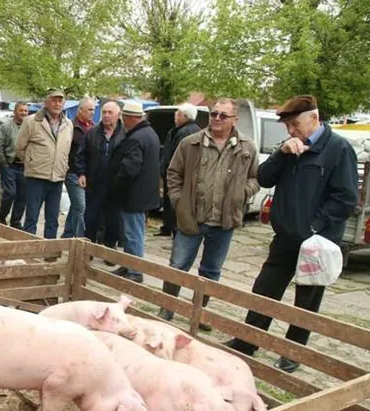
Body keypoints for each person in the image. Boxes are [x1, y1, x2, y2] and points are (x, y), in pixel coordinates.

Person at [224, 95, 359, 373]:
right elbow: (264, 178)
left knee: (306, 300)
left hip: (317, 242)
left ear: (314, 118)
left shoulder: (339, 149)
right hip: (285, 237)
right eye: (287, 126)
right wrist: (280, 154)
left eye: (295, 124)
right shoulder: (289, 148)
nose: (291, 130)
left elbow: (345, 199)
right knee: (265, 289)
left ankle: (293, 351)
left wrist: (313, 227)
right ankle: (248, 340)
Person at [159, 98, 260, 329]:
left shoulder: (247, 147)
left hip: (224, 221)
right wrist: (178, 201)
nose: (216, 118)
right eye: (214, 113)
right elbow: (173, 173)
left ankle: (198, 313)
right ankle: (167, 307)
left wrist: (242, 193)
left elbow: (255, 177)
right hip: (191, 217)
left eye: (223, 115)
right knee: (178, 265)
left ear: (235, 119)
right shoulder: (191, 143)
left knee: (211, 272)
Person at [106, 100, 160, 283]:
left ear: (130, 118)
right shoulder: (149, 133)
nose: (123, 121)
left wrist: (115, 183)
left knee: (133, 234)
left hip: (134, 195)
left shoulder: (136, 137)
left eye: (124, 118)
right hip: (142, 193)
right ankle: (128, 264)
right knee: (133, 232)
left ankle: (135, 270)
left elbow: (130, 169)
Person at [16, 89, 73, 239]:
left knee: (53, 219)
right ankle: (29, 247)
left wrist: (63, 167)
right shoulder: (31, 121)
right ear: (46, 102)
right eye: (54, 100)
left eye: (60, 101)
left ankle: (50, 249)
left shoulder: (68, 125)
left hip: (57, 178)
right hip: (36, 177)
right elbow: (19, 147)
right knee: (32, 217)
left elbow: (67, 150)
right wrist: (32, 163)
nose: (57, 104)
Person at [78, 101, 125, 250]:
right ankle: (89, 249)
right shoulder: (92, 132)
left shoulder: (125, 134)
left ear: (118, 115)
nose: (106, 115)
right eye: (104, 112)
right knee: (91, 218)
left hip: (115, 185)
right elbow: (81, 155)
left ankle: (110, 249)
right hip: (94, 183)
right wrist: (81, 173)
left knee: (113, 220)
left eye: (110, 113)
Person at [158, 103, 201, 237]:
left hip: (177, 173)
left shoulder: (183, 132)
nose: (175, 117)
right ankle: (168, 227)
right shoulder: (194, 130)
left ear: (185, 116)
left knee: (174, 201)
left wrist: (168, 169)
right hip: (183, 173)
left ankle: (174, 228)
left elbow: (177, 155)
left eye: (178, 114)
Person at [62, 97, 95, 238]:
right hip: (72, 173)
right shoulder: (70, 127)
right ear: (80, 110)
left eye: (94, 109)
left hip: (86, 174)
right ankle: (80, 239)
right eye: (89, 110)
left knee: (75, 207)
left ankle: (67, 236)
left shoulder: (93, 128)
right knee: (81, 207)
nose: (92, 112)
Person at [0, 102, 29, 229]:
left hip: (25, 167)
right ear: (15, 112)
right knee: (10, 193)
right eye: (21, 110)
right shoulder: (5, 127)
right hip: (9, 166)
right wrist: (4, 164)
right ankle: (2, 215)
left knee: (23, 196)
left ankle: (16, 221)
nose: (23, 113)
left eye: (25, 111)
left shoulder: (30, 128)